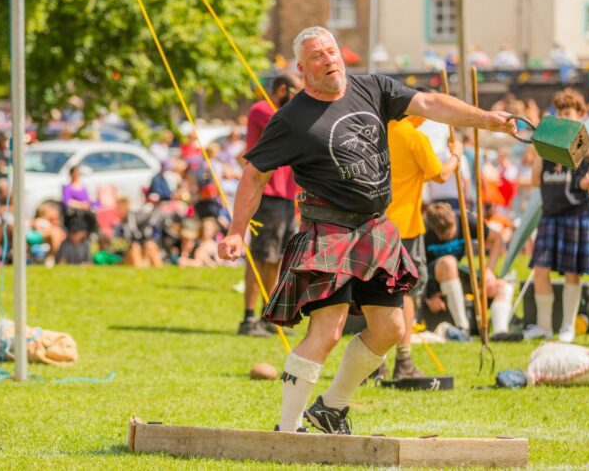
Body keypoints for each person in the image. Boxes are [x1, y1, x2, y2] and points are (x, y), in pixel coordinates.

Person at [218, 26, 515, 435]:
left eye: (331, 51)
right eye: (317, 56)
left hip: (374, 228)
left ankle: (330, 407)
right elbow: (254, 175)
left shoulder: (372, 88)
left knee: (391, 329)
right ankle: (287, 430)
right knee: (328, 331)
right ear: (303, 69)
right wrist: (236, 231)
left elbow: (428, 102)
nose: (329, 60)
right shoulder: (291, 120)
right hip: (329, 229)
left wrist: (486, 120)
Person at [524, 89, 589, 343]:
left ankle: (567, 327)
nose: (563, 117)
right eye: (560, 113)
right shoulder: (549, 141)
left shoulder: (585, 141)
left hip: (577, 213)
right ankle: (543, 326)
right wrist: (540, 152)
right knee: (540, 269)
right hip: (551, 213)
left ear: (580, 114)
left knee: (573, 271)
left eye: (568, 113)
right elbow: (533, 180)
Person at [383, 113, 463, 378]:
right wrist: (456, 156)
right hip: (404, 225)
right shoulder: (413, 136)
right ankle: (403, 361)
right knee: (405, 294)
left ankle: (376, 361)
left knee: (380, 294)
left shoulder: (381, 130)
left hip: (377, 225)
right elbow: (440, 174)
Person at [238, 74, 301, 338]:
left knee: (276, 258)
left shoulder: (286, 110)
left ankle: (267, 314)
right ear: (283, 90)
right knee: (261, 256)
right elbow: (291, 123)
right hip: (268, 193)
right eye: (296, 92)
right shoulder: (262, 109)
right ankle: (249, 319)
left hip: (286, 195)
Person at [422, 203, 510, 339]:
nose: (447, 237)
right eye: (442, 235)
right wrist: (429, 294)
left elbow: (497, 239)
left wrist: (489, 271)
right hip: (432, 277)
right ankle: (463, 329)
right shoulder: (423, 230)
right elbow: (414, 266)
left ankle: (500, 333)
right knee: (449, 262)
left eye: (450, 231)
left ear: (453, 217)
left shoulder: (466, 220)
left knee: (502, 286)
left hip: (455, 273)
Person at [62, 165, 98, 235]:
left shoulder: (83, 186)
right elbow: (67, 201)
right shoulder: (67, 187)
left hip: (85, 207)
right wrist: (80, 205)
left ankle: (92, 232)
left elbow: (87, 199)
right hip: (75, 209)